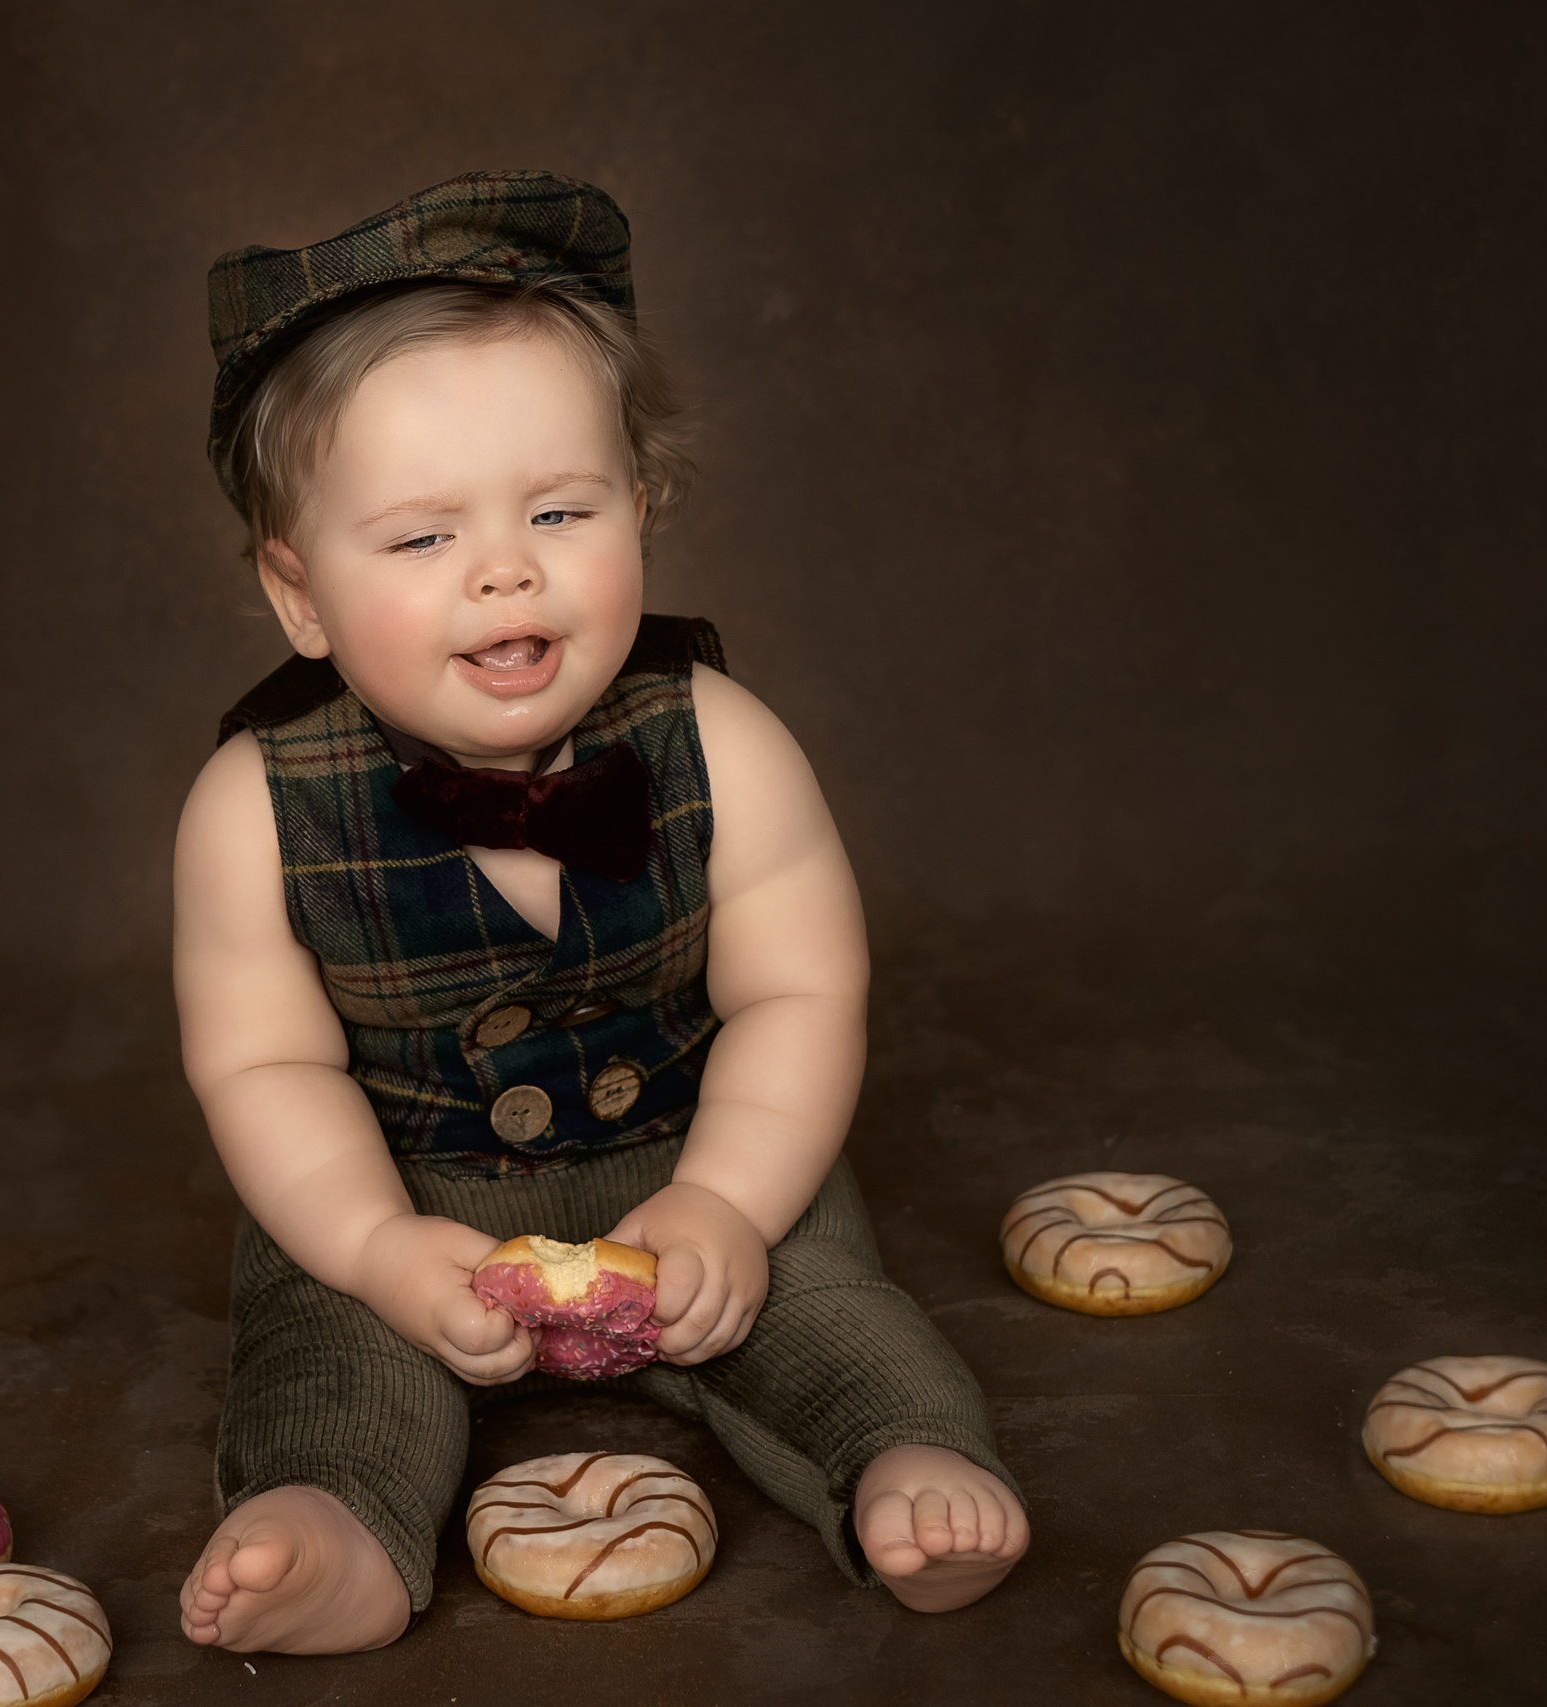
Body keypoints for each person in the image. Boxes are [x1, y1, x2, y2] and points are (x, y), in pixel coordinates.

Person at [172, 170, 1028, 1654]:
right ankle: (338, 1531)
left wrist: (728, 1202)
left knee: (828, 1301)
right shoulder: (254, 808)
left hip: (692, 1151)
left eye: (562, 509)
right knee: (320, 1346)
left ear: (644, 505)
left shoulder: (723, 740)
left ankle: (905, 1465)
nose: (507, 567)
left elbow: (800, 998)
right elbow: (265, 1068)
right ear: (298, 595)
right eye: (422, 539)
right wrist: (373, 1246)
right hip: (408, 1190)